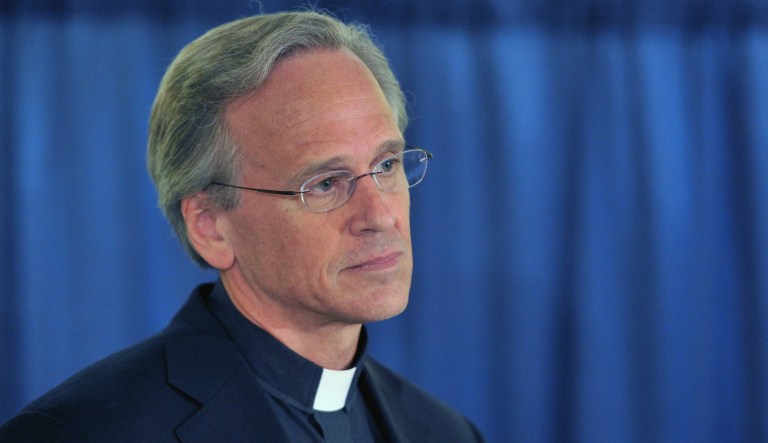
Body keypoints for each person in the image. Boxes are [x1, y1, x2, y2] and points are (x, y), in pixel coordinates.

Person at [0, 9, 483, 443]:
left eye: (386, 166)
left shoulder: (446, 432)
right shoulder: (77, 434)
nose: (380, 216)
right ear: (211, 226)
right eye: (324, 184)